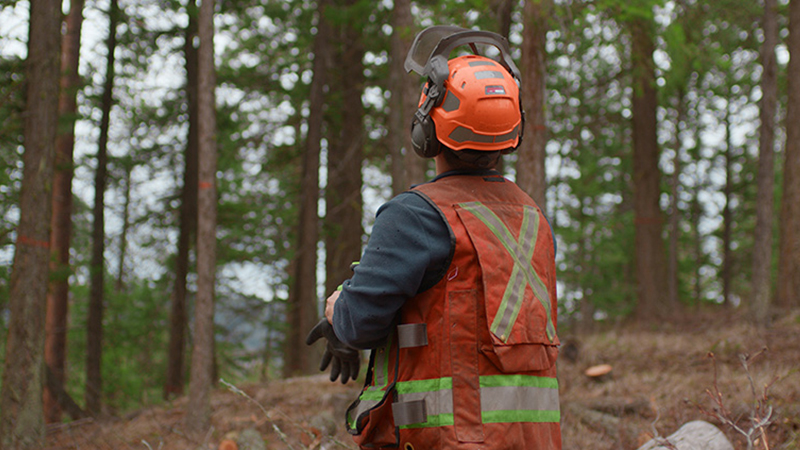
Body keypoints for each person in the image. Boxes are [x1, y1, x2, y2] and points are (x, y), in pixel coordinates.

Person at [306, 26, 562, 450]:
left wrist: (339, 310)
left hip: (445, 440)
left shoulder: (415, 215)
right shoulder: (533, 218)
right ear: (512, 129)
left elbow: (359, 323)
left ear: (428, 125)